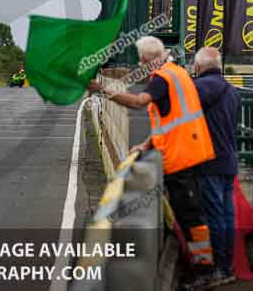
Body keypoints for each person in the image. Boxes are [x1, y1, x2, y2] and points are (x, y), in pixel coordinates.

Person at [87, 36, 216, 286]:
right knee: (189, 213)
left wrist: (100, 89)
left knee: (191, 216)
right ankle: (200, 264)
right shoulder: (178, 72)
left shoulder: (162, 79)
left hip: (180, 158)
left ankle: (204, 271)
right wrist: (147, 143)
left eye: (140, 60)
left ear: (147, 60)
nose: (138, 64)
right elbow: (171, 119)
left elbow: (137, 103)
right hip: (190, 151)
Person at [192, 47, 240, 287]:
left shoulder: (202, 87)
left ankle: (218, 269)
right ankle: (228, 266)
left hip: (210, 161)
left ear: (199, 67)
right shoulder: (232, 90)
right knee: (227, 215)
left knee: (214, 216)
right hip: (228, 160)